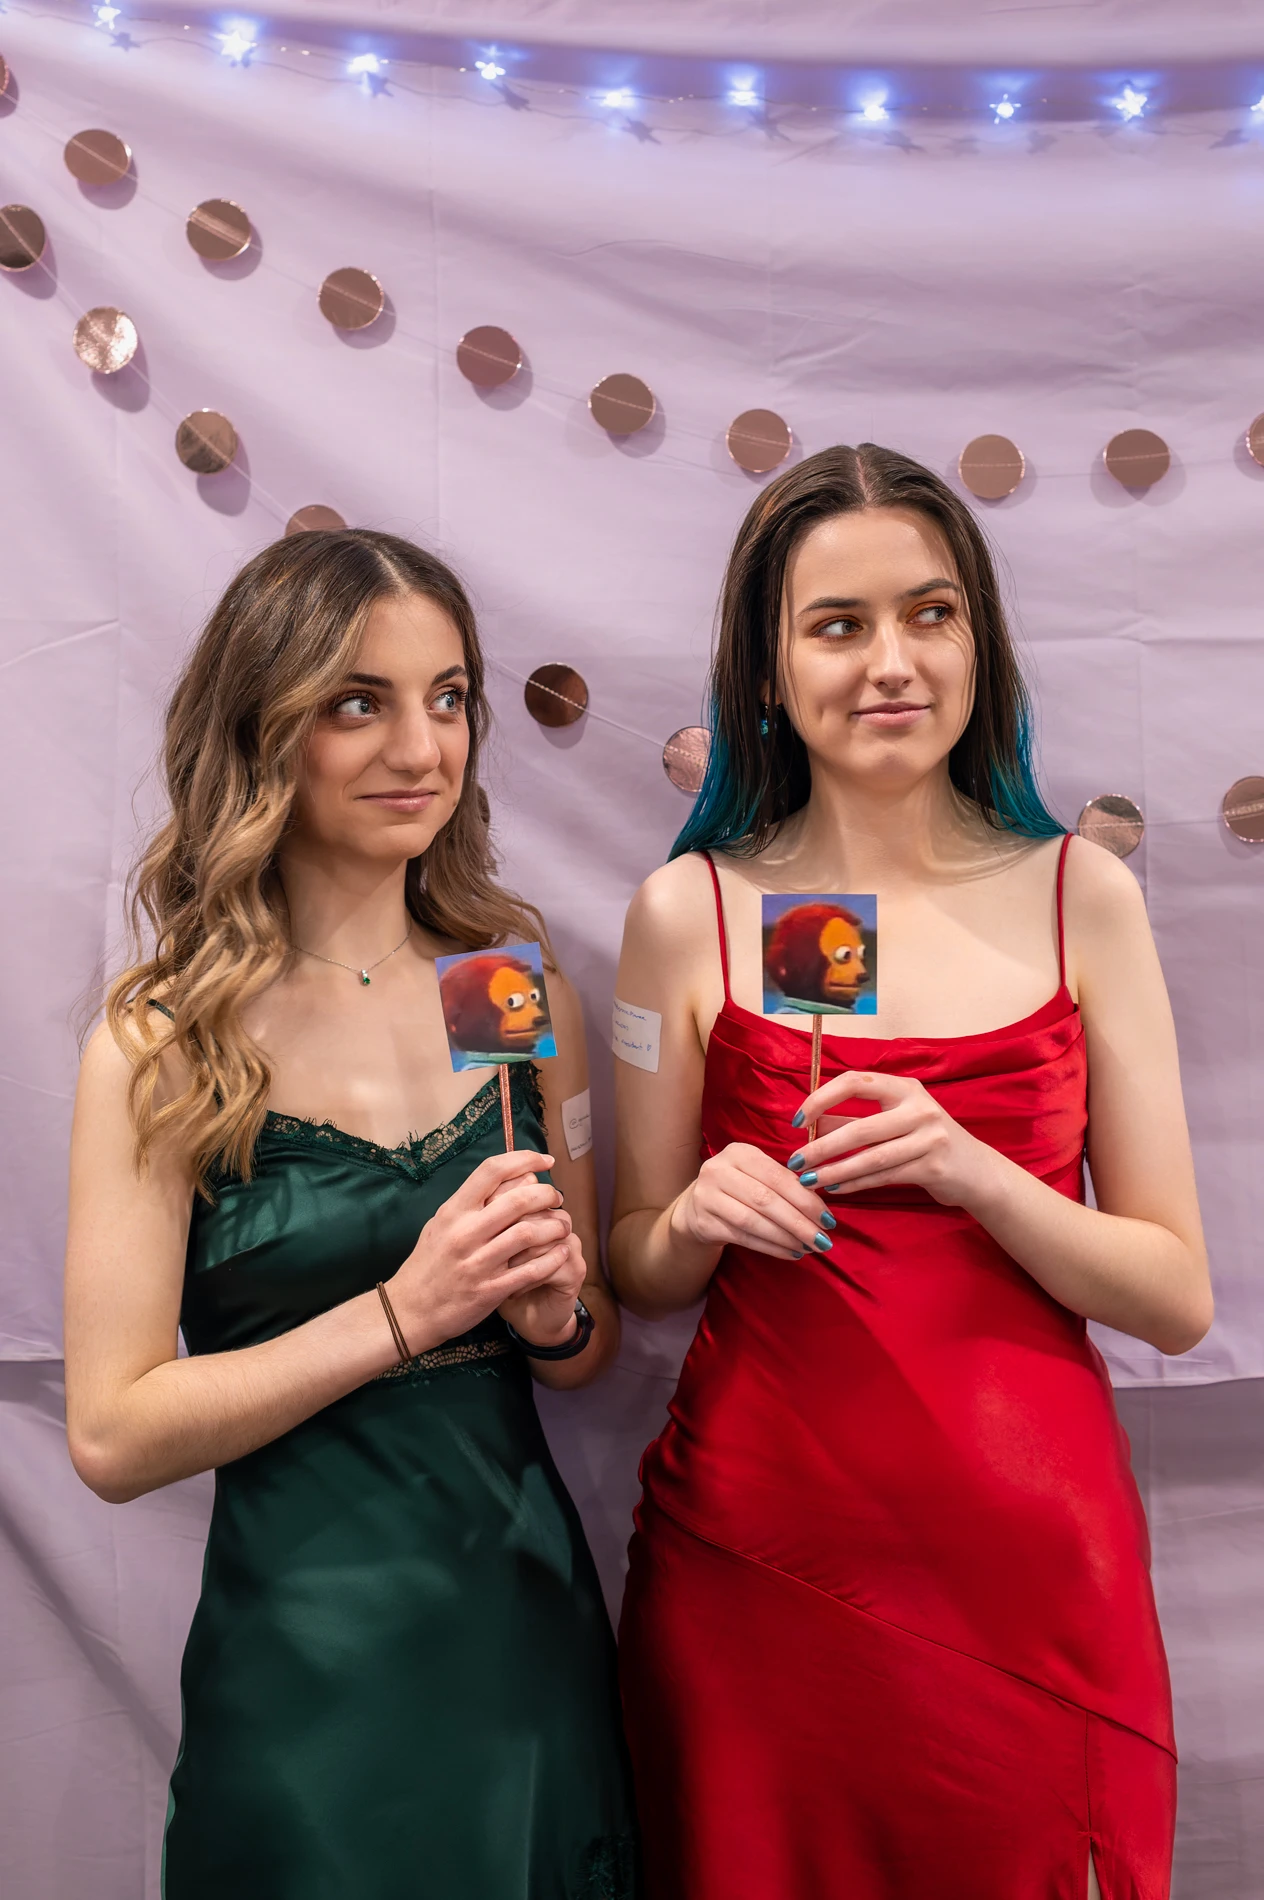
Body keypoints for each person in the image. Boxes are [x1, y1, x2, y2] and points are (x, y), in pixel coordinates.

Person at [609, 445, 1210, 1900]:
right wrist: (690, 1214)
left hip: (1034, 1587)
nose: (893, 662)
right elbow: (633, 1266)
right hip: (760, 1572)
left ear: (978, 644)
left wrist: (983, 1177)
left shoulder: (1087, 895)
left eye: (930, 616)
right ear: (765, 668)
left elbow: (1177, 1297)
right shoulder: (685, 914)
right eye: (839, 625)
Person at [63, 530, 639, 1900]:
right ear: (264, 726)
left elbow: (588, 1347)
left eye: (448, 698)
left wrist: (556, 1317)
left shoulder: (519, 997)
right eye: (357, 702)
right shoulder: (166, 1039)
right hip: (306, 1668)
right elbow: (111, 1433)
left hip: (520, 1637)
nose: (420, 747)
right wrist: (401, 1312)